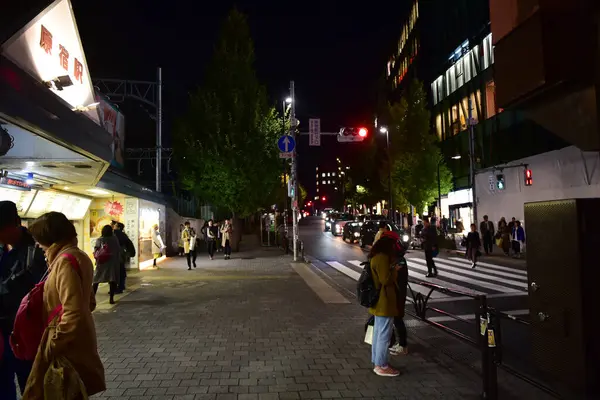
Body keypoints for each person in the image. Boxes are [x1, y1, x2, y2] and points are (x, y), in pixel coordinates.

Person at [25, 212, 105, 398]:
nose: (37, 244)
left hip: (67, 344)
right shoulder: (78, 256)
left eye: (38, 239)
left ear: (49, 237)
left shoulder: (64, 262)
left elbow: (73, 310)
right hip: (79, 337)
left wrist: (54, 343)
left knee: (61, 390)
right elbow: (89, 302)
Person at [0, 201, 47, 399]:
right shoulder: (4, 251)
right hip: (2, 332)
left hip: (25, 332)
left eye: (2, 229)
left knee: (30, 384)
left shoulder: (35, 253)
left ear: (17, 223)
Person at [368, 232, 403, 377]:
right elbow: (385, 280)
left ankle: (377, 362)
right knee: (383, 335)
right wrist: (394, 271)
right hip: (384, 301)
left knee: (378, 333)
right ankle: (381, 365)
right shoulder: (382, 258)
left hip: (379, 302)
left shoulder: (375, 256)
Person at [92, 225, 121, 304]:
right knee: (112, 280)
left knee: (96, 280)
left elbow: (96, 250)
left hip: (101, 262)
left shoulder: (100, 240)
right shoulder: (114, 239)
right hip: (112, 262)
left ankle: (92, 298)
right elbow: (118, 250)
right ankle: (111, 298)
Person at [113, 222, 135, 293]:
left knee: (118, 270)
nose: (114, 226)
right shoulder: (123, 234)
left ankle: (119, 287)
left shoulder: (116, 234)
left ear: (118, 227)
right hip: (122, 254)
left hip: (118, 255)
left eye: (115, 225)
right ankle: (121, 286)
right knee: (121, 269)